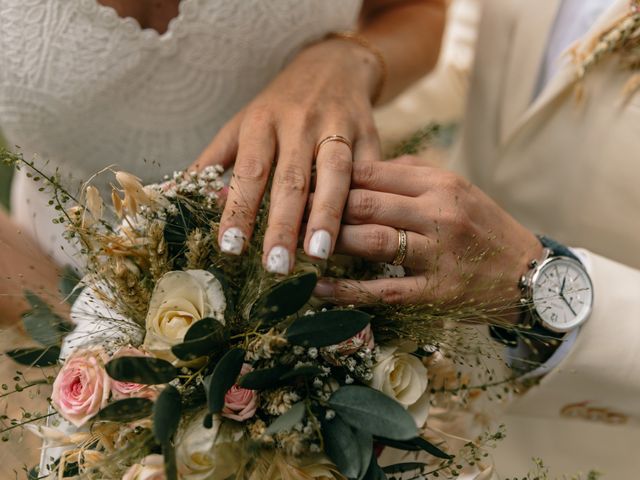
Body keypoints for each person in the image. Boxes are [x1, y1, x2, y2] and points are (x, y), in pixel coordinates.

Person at [314, 0, 640, 477]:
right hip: (420, 407)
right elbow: (468, 55)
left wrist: (536, 289)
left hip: (595, 445)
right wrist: (345, 69)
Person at [0, 0, 446, 326]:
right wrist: (82, 334)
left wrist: (346, 59)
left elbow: (419, 10)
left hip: (324, 285)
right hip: (47, 288)